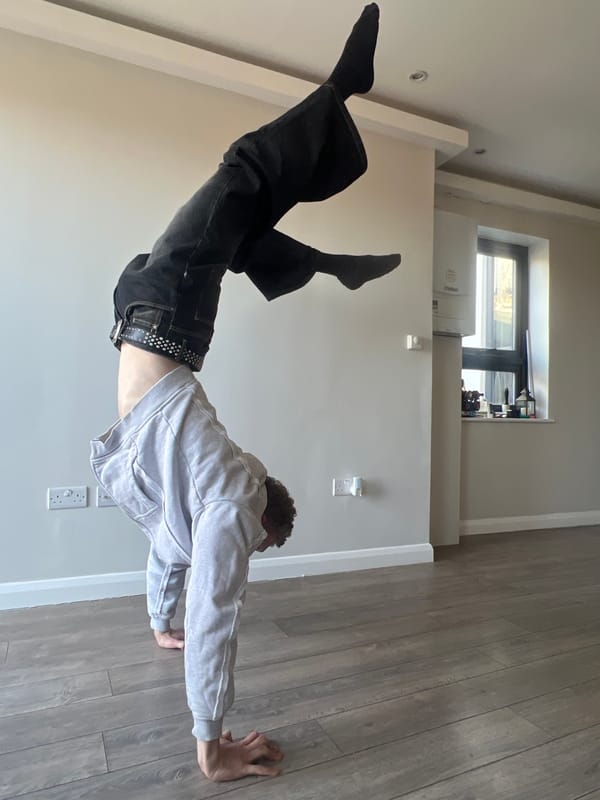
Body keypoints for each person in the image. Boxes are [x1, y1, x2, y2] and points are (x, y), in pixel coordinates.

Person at [90, 2, 400, 783]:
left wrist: (210, 744)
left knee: (245, 185)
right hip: (156, 326)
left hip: (152, 316)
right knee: (242, 190)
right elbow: (195, 585)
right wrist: (175, 652)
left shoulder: (216, 513)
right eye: (264, 533)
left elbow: (205, 605)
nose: (248, 551)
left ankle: (327, 240)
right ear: (265, 515)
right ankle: (340, 100)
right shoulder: (225, 503)